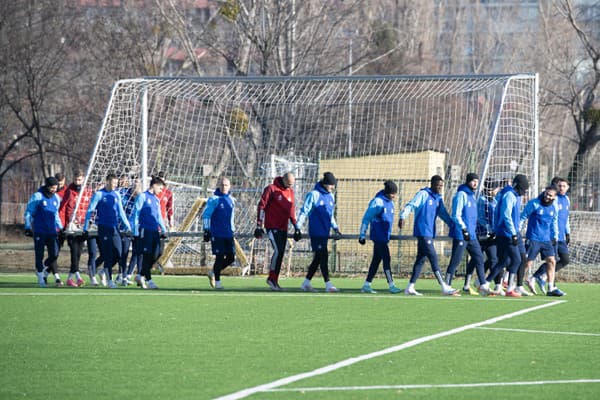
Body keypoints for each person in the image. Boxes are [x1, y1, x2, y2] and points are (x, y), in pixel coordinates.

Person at [398, 175, 457, 296]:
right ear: (432, 184)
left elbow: (443, 214)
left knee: (421, 259)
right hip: (422, 231)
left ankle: (410, 287)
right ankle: (444, 286)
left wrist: (452, 224)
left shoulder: (438, 198)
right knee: (433, 257)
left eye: (441, 186)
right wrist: (403, 216)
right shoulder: (423, 194)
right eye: (437, 185)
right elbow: (412, 204)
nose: (439, 187)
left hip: (429, 233)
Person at [444, 173, 491, 295]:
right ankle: (447, 286)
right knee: (456, 260)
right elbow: (456, 214)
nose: (475, 183)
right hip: (461, 234)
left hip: (471, 235)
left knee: (479, 257)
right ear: (468, 181)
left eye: (477, 181)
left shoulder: (473, 196)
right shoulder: (461, 195)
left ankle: (483, 285)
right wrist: (463, 229)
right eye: (473, 181)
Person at [83, 173, 132, 288]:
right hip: (103, 228)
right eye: (113, 182)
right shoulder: (99, 194)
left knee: (119, 253)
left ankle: (103, 272)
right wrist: (85, 227)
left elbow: (121, 212)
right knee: (107, 254)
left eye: (116, 182)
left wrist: (128, 227)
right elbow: (90, 210)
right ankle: (110, 280)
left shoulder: (116, 195)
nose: (115, 185)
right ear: (108, 182)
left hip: (114, 228)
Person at [254, 172, 301, 291]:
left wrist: (296, 227)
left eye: (292, 184)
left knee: (281, 253)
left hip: (283, 227)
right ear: (284, 179)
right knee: (278, 251)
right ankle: (271, 278)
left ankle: (275, 280)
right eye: (289, 183)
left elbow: (292, 211)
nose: (290, 186)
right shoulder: (271, 189)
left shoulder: (290, 192)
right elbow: (262, 206)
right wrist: (259, 225)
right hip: (272, 226)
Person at [296, 172, 342, 293]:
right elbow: (304, 211)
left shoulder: (331, 196)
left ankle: (306, 283)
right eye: (332, 185)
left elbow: (330, 215)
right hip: (316, 232)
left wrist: (336, 227)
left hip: (325, 232)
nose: (333, 187)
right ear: (326, 184)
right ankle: (328, 284)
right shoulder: (313, 195)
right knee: (323, 256)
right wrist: (297, 227)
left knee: (318, 258)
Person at [485, 174, 529, 298]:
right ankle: (510, 288)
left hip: (509, 231)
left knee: (505, 260)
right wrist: (513, 233)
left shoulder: (513, 195)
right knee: (516, 260)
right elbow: (506, 214)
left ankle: (486, 283)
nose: (523, 192)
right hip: (507, 232)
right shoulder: (509, 195)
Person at [519, 186, 565, 297]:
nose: (547, 196)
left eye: (550, 195)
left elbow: (554, 221)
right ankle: (516, 284)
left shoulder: (554, 207)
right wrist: (517, 231)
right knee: (527, 263)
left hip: (546, 239)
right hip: (533, 238)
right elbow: (523, 217)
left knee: (552, 261)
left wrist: (555, 236)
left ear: (554, 197)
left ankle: (551, 288)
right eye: (546, 194)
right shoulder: (534, 203)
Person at [528, 177, 571, 294]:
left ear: (568, 188)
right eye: (559, 186)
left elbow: (566, 218)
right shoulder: (553, 199)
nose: (561, 188)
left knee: (564, 260)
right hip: (550, 235)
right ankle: (549, 285)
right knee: (551, 260)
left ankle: (540, 277)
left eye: (564, 186)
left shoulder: (566, 199)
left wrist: (568, 232)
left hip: (560, 235)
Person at [358, 180, 402, 294]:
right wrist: (362, 234)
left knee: (376, 261)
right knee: (386, 259)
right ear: (387, 192)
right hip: (378, 237)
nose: (394, 196)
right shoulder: (377, 202)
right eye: (392, 193)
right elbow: (366, 218)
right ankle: (391, 285)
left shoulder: (391, 203)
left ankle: (367, 285)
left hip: (384, 237)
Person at [24, 176, 64, 287]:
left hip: (52, 231)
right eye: (52, 187)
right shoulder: (37, 196)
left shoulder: (56, 198)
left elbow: (55, 214)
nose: (54, 189)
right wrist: (27, 227)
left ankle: (44, 269)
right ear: (47, 186)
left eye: (56, 187)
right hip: (39, 230)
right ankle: (41, 277)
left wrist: (60, 228)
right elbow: (28, 212)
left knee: (54, 254)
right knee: (39, 254)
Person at [130, 175, 168, 289]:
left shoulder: (156, 199)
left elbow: (159, 216)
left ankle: (140, 274)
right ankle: (149, 280)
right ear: (154, 186)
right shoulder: (142, 196)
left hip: (155, 230)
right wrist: (135, 230)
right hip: (144, 230)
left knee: (158, 253)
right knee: (146, 255)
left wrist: (164, 229)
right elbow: (136, 213)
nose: (161, 191)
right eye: (160, 188)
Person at [202, 177, 236, 290]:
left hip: (228, 233)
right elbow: (206, 215)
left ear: (230, 186)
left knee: (231, 257)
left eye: (226, 185)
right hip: (217, 233)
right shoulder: (214, 199)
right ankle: (217, 282)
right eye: (222, 185)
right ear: (218, 186)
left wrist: (233, 229)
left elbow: (231, 217)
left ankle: (213, 272)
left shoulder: (231, 200)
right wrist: (206, 230)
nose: (224, 187)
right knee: (220, 257)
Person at [59, 170, 91, 287]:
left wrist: (88, 221)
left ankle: (70, 278)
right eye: (76, 179)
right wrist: (63, 225)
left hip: (81, 226)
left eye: (79, 180)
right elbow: (63, 209)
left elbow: (89, 207)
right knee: (74, 252)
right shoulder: (69, 191)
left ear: (83, 179)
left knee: (78, 252)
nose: (77, 182)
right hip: (71, 226)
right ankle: (78, 276)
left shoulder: (87, 191)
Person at [473, 179, 503, 295]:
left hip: (493, 235)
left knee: (494, 260)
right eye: (489, 189)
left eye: (493, 189)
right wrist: (490, 230)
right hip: (483, 235)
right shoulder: (481, 200)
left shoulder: (495, 200)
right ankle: (472, 283)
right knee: (477, 261)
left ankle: (495, 285)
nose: (491, 192)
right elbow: (481, 218)